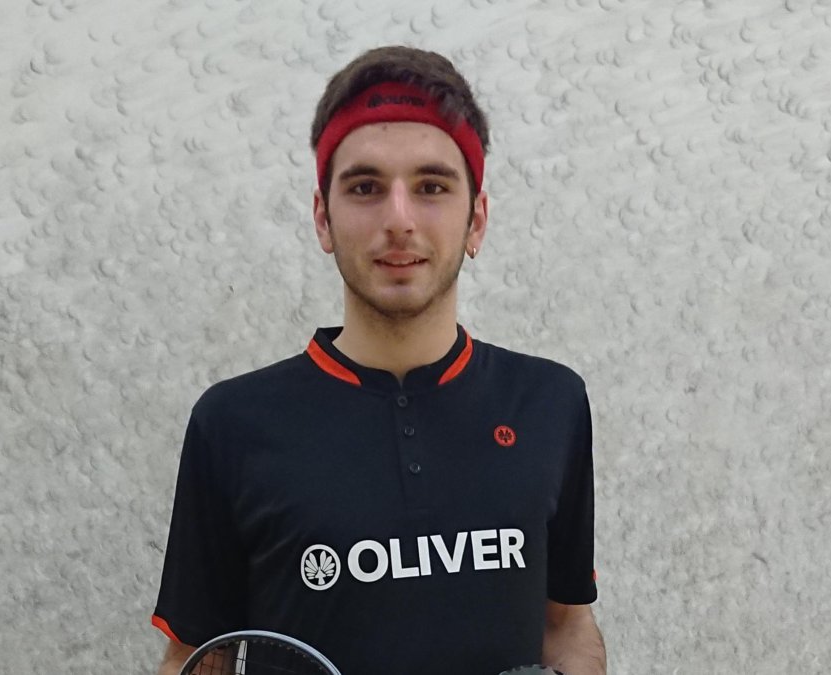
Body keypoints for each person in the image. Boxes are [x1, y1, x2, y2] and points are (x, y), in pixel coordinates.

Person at [152, 45, 607, 675]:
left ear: (476, 220)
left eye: (431, 187)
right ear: (323, 218)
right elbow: (197, 657)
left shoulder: (550, 403)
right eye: (365, 187)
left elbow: (567, 627)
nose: (399, 219)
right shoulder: (232, 422)